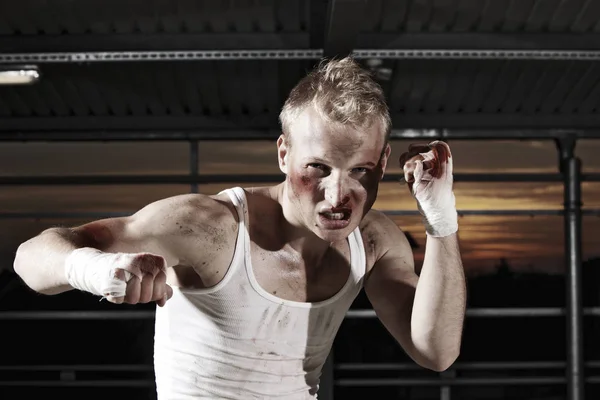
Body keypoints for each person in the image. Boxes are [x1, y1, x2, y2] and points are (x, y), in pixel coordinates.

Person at [13, 57, 466, 399]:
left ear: (384, 162)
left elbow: (435, 352)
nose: (337, 196)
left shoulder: (374, 240)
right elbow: (29, 260)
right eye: (318, 168)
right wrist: (94, 269)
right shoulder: (210, 226)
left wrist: (441, 222)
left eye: (361, 170)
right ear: (284, 155)